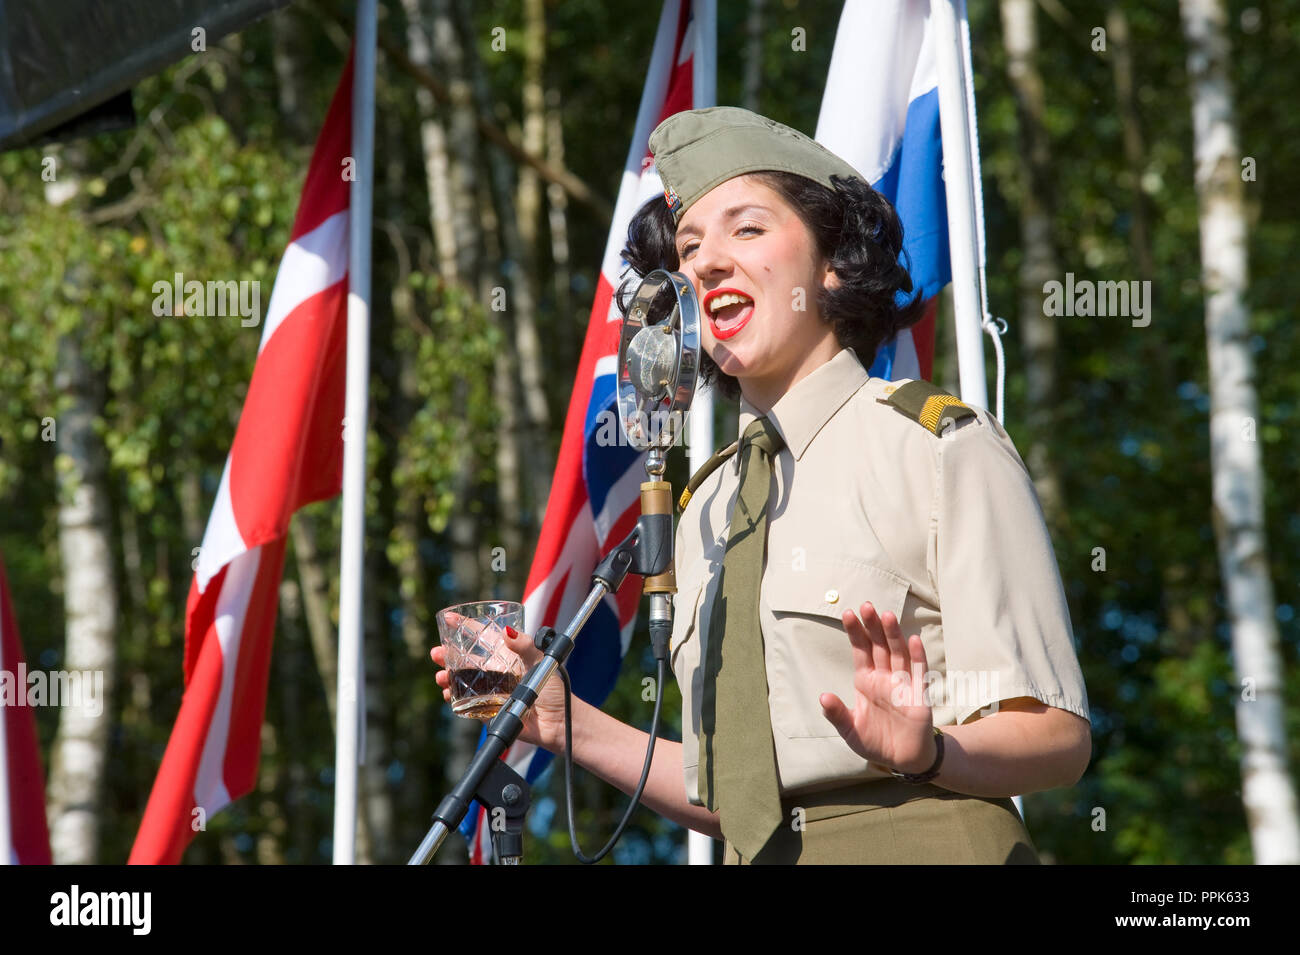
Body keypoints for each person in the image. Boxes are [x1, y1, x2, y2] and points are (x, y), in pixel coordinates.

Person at [431, 106, 1092, 865]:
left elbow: (1057, 734)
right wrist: (562, 720)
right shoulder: (704, 507)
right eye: (689, 247)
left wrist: (930, 749)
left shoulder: (936, 447)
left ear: (832, 265)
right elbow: (735, 796)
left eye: (746, 229)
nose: (706, 263)